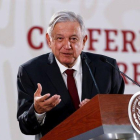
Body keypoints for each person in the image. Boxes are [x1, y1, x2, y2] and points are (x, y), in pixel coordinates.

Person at [17, 11, 125, 139]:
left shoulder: (107, 67)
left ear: (84, 40)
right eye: (60, 38)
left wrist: (102, 111)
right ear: (49, 40)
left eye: (73, 39)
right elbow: (25, 127)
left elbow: (122, 115)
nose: (67, 46)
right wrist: (37, 111)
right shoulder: (30, 71)